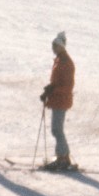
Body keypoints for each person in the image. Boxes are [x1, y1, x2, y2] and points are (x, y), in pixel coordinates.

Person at [40, 32, 74, 171]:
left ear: (61, 46)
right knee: (56, 129)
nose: (52, 48)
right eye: (52, 45)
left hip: (61, 99)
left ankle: (63, 158)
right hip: (58, 99)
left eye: (55, 45)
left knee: (57, 129)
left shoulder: (65, 62)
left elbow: (66, 86)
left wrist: (51, 90)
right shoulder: (60, 60)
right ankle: (62, 156)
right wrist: (49, 89)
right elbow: (57, 81)